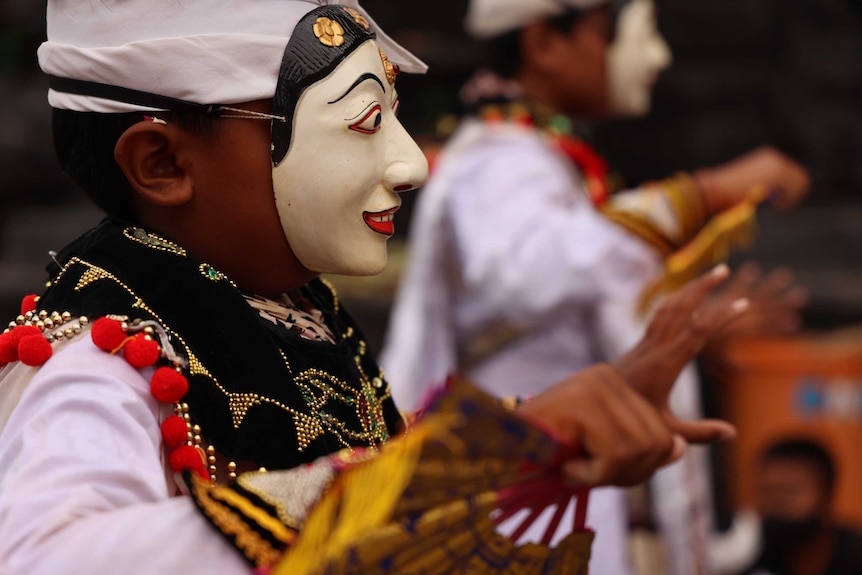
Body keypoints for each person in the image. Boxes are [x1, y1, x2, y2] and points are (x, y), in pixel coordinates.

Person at [0, 1, 746, 573]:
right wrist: (483, 453)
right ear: (163, 163)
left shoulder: (290, 311)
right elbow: (42, 556)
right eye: (361, 121)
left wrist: (539, 433)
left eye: (394, 115)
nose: (411, 163)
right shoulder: (98, 363)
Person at [380, 1, 810, 574]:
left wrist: (690, 331)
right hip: (529, 497)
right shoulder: (499, 161)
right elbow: (529, 275)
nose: (657, 56)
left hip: (563, 487)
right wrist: (701, 194)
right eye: (632, 32)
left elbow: (562, 315)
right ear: (545, 43)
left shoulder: (540, 160)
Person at [744, 438, 862, 575]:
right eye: (766, 492)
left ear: (826, 494)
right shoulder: (746, 556)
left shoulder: (856, 555)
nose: (777, 503)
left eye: (790, 491)